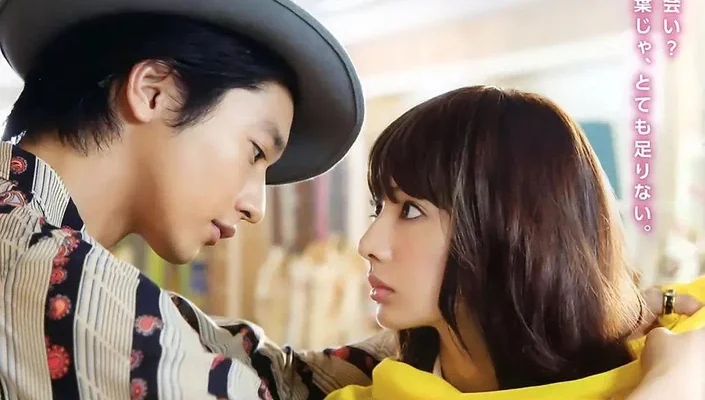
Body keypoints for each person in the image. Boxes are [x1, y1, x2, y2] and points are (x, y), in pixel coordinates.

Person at [0, 1, 701, 399]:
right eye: (255, 150)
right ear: (154, 92)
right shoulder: (44, 280)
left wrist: (565, 307)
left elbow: (279, 376)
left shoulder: (49, 256)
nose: (255, 206)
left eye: (411, 209)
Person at [322, 86, 705, 400]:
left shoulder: (679, 357)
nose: (368, 244)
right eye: (379, 208)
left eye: (410, 210)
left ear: (512, 227)